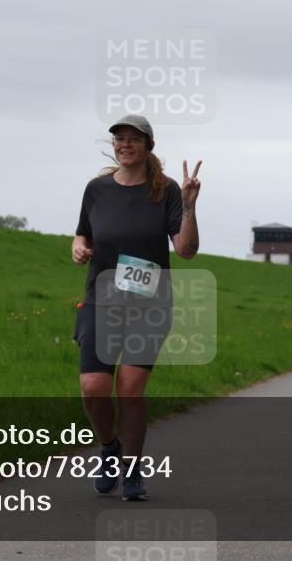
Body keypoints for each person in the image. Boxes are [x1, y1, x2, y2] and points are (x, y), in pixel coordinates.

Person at [71, 114, 201, 501]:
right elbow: (83, 232)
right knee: (94, 388)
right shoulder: (96, 189)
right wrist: (78, 245)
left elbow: (186, 251)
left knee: (129, 389)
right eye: (119, 139)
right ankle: (109, 447)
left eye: (133, 138)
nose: (125, 144)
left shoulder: (167, 191)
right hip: (101, 299)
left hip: (149, 303)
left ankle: (132, 469)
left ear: (149, 145)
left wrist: (191, 208)